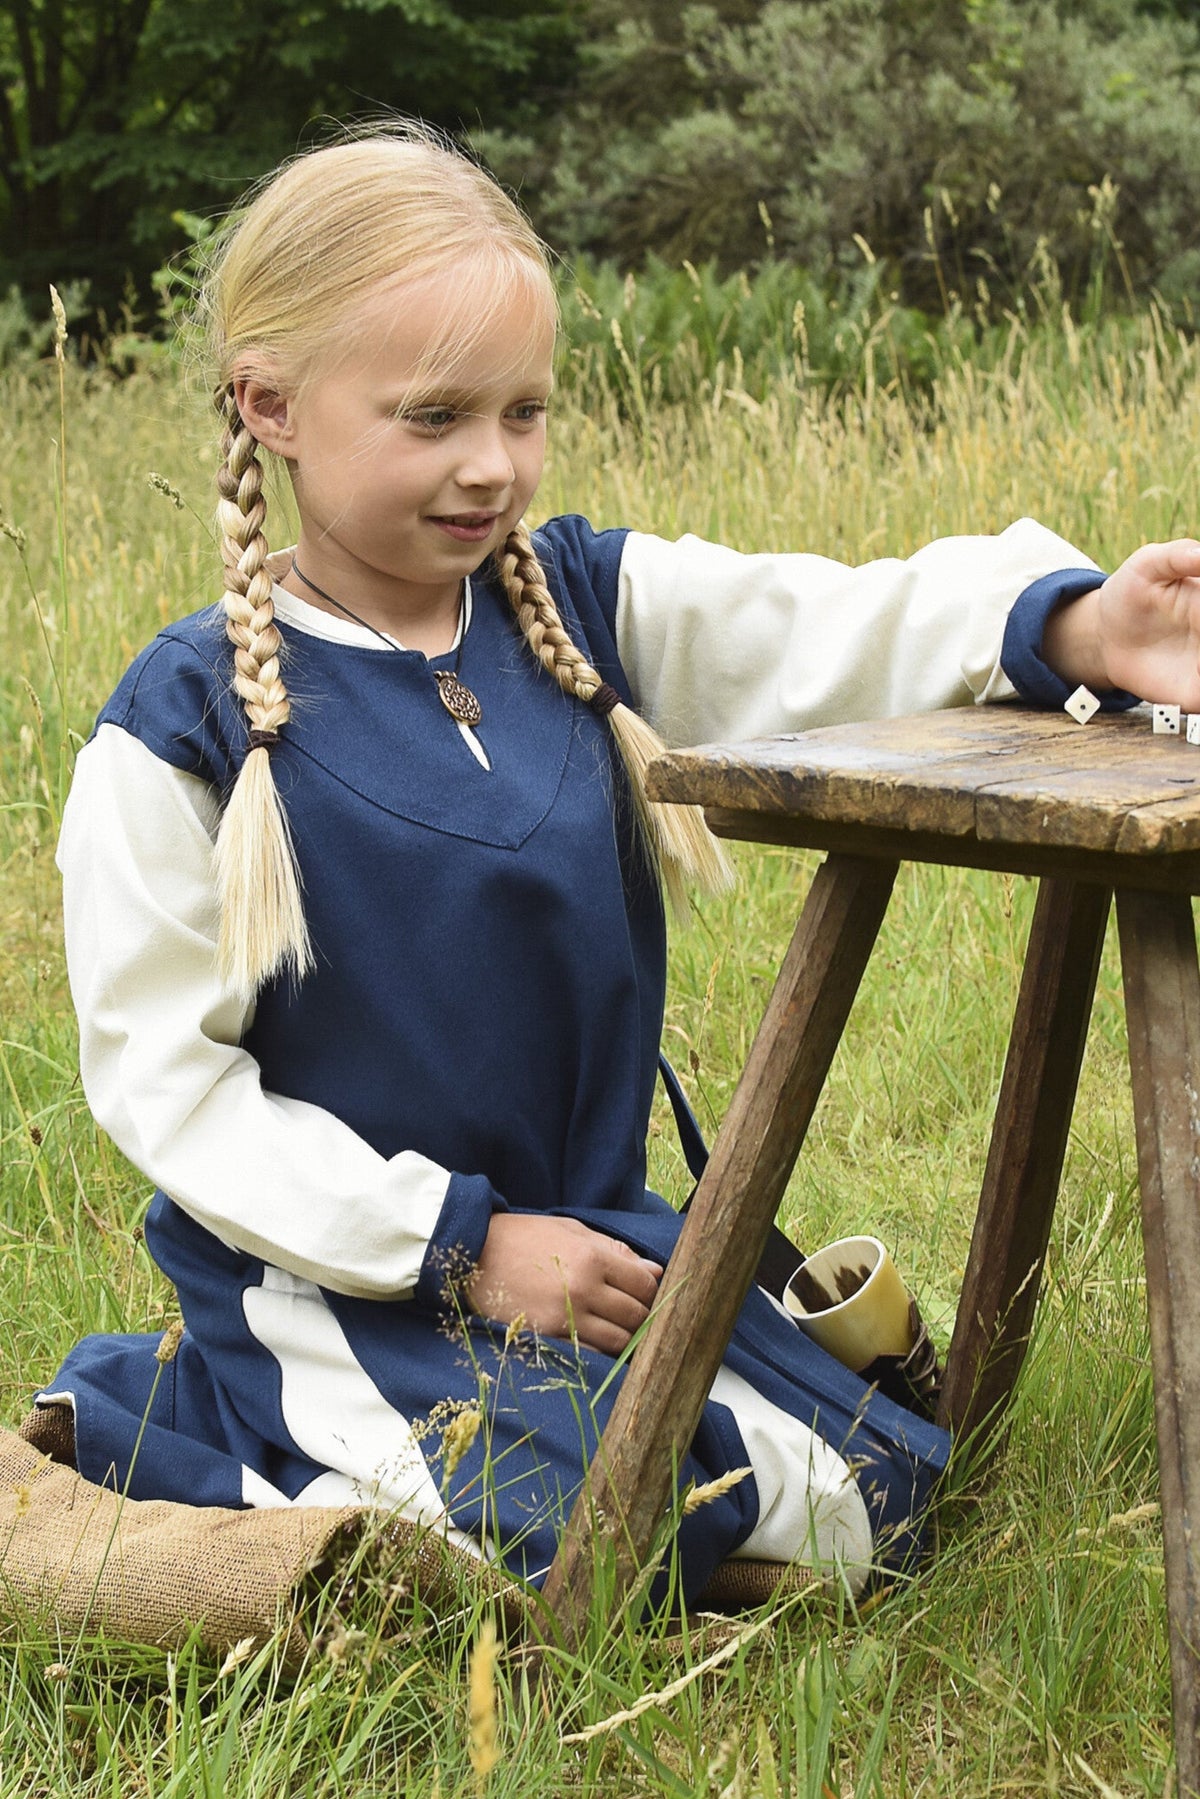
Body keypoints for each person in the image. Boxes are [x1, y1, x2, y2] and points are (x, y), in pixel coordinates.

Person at [37, 124, 1200, 1608]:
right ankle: (187, 1418)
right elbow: (172, 1095)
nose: (490, 467)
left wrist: (1081, 627)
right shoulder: (184, 725)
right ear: (271, 405)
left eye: (523, 413)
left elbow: (816, 619)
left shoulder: (567, 605)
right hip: (344, 1283)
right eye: (433, 415)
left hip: (593, 1255)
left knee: (868, 1494)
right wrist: (457, 1246)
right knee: (583, 1535)